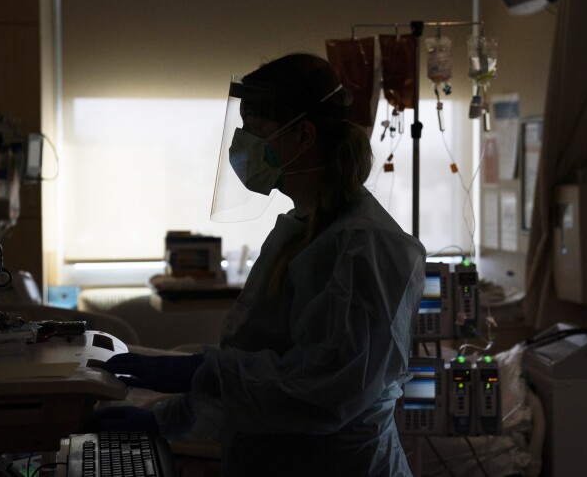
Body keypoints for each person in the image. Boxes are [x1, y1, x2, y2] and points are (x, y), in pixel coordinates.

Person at [95, 53, 426, 476]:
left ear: (303, 135)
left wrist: (200, 371)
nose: (243, 143)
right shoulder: (299, 229)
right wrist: (166, 418)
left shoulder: (368, 246)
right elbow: (256, 375)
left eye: (256, 130)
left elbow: (324, 392)